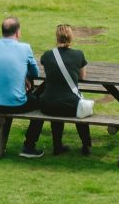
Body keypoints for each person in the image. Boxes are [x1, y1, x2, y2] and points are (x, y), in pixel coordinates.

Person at [24, 24, 89, 156]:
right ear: (71, 37)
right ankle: (86, 145)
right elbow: (82, 76)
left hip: (48, 105)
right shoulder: (78, 54)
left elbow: (46, 67)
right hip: (71, 105)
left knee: (56, 102)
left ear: (56, 37)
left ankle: (57, 145)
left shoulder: (47, 55)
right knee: (82, 107)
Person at [0, 18, 43, 160]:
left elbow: (4, 66)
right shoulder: (25, 48)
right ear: (18, 32)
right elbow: (35, 73)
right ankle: (29, 145)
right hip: (16, 104)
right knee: (41, 105)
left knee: (0, 97)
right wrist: (25, 75)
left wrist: (21, 76)